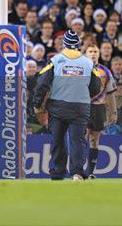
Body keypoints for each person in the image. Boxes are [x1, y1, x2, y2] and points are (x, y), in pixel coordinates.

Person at [33, 30, 101, 181]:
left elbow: (42, 83)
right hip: (80, 107)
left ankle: (58, 172)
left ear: (64, 45)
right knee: (78, 140)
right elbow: (96, 87)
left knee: (58, 140)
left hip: (58, 107)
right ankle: (77, 172)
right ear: (78, 45)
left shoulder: (56, 61)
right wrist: (83, 93)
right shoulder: (88, 63)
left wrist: (37, 103)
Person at [84, 44, 117, 178]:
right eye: (90, 51)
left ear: (99, 54)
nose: (93, 54)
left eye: (95, 51)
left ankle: (90, 172)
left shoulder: (105, 71)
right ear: (85, 53)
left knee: (95, 139)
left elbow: (111, 93)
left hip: (98, 107)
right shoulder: (81, 69)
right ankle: (78, 169)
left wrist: (113, 111)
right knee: (82, 136)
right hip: (83, 106)